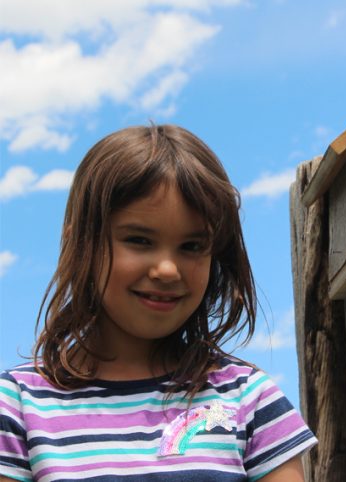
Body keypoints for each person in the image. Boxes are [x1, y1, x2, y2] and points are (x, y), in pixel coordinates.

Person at [0, 125, 317, 482]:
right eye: (139, 240)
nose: (167, 269)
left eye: (192, 247)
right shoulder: (17, 406)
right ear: (79, 242)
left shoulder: (249, 399)